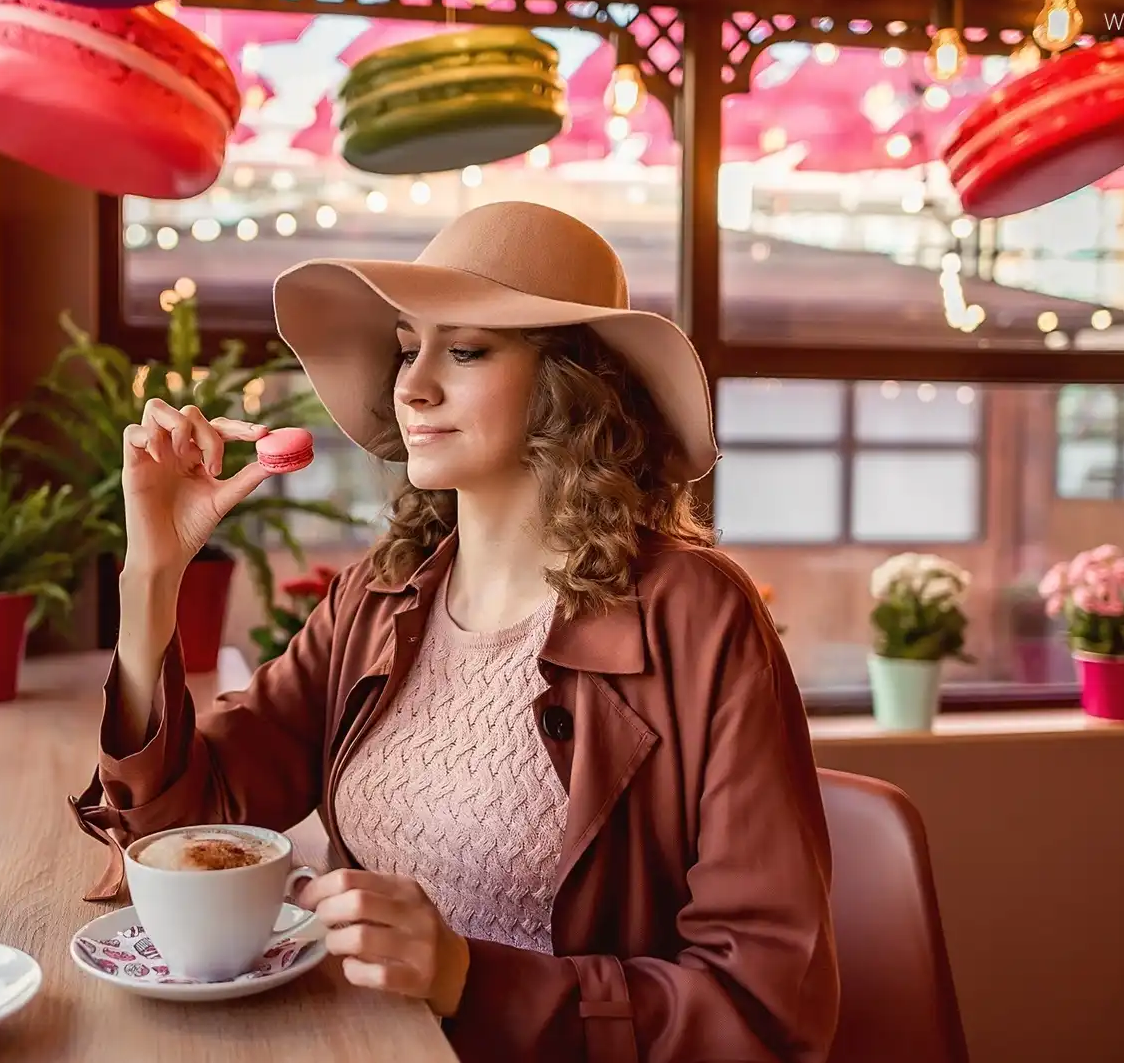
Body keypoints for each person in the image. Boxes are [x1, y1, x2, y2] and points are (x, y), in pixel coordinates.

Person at [71, 201, 838, 1061]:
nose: (412, 385)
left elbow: (765, 1006)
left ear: (573, 385)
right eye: (407, 348)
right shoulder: (381, 593)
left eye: (464, 349)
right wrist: (152, 576)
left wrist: (467, 978)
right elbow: (182, 826)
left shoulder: (696, 617)